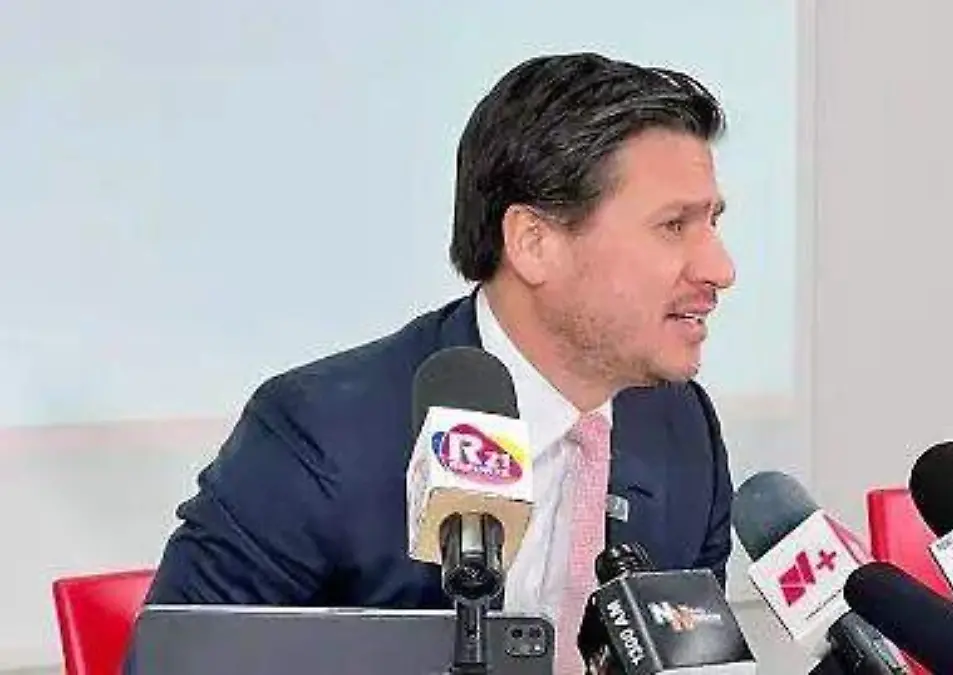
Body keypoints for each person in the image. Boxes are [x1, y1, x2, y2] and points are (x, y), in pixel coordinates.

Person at [141, 51, 737, 674]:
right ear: (533, 243)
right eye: (674, 226)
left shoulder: (681, 429)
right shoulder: (321, 436)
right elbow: (174, 667)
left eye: (713, 221)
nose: (720, 269)